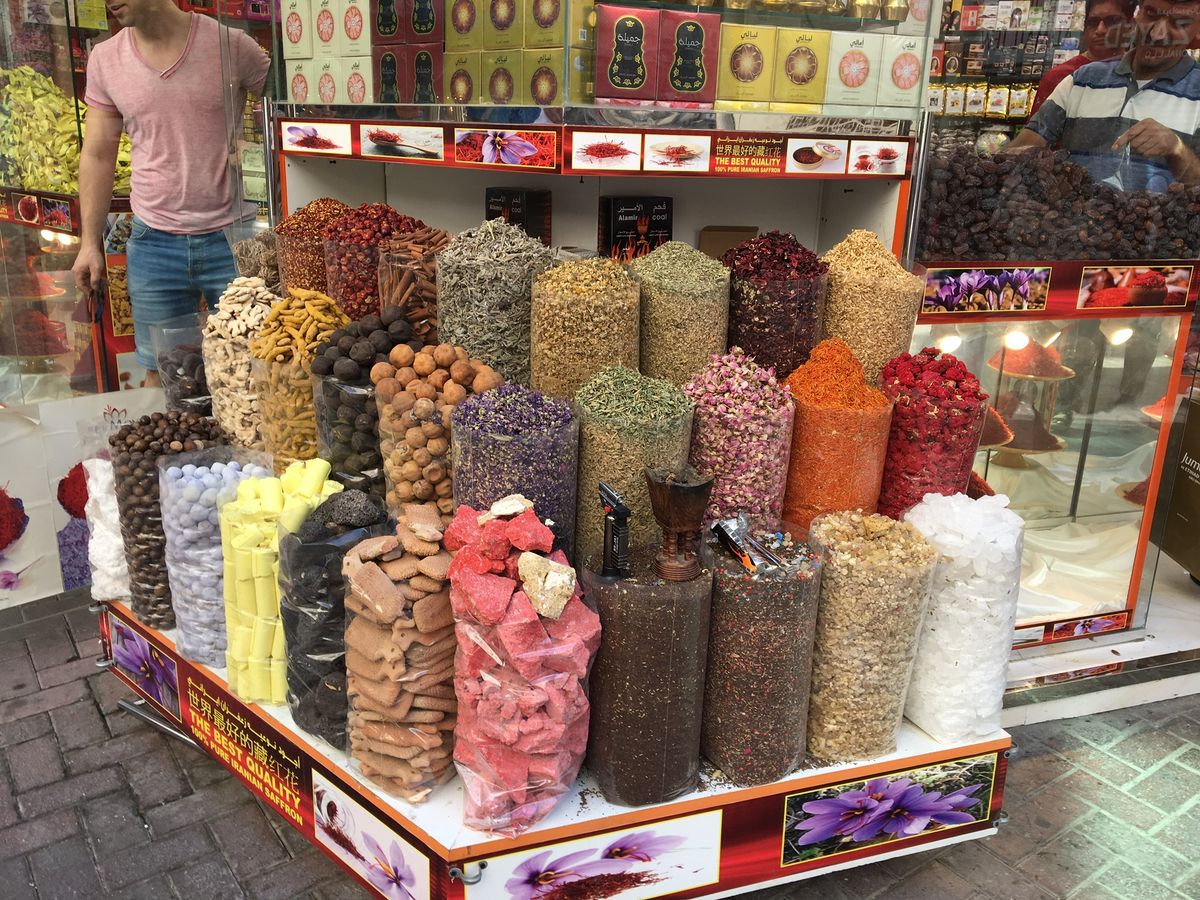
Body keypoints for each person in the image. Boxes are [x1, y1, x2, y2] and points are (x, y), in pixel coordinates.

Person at [71, 0, 270, 373]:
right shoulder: (106, 59)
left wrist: (258, 150)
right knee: (166, 374)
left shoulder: (230, 44)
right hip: (154, 244)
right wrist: (89, 244)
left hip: (233, 239)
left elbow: (292, 108)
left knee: (253, 371)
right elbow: (97, 154)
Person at [1007, 0, 1200, 191]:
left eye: (1179, 23)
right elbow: (1018, 152)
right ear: (1136, 17)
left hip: (1155, 213)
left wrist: (1178, 150)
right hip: (1074, 211)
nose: (1157, 34)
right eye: (1151, 14)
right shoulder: (1081, 80)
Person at [1029, 0, 1135, 115]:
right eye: (1093, 22)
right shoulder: (1059, 77)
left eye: (1111, 21)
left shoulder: (1139, 74)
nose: (1100, 30)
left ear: (1131, 25)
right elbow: (1039, 127)